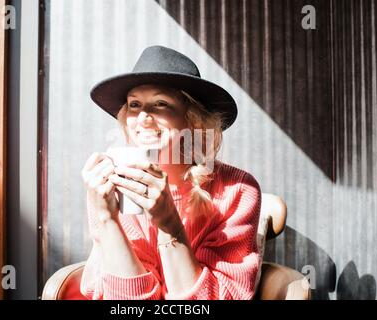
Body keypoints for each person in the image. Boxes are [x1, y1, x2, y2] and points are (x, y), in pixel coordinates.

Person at [80, 45, 261, 300]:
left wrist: (168, 223)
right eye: (134, 104)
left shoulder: (237, 189)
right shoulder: (110, 186)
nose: (142, 117)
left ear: (192, 119)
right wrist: (107, 219)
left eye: (160, 103)